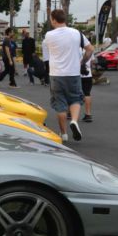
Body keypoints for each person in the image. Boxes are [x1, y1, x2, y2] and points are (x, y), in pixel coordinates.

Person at [42, 10, 93, 142]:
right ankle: (74, 121)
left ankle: (63, 134)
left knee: (60, 104)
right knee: (75, 99)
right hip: (73, 73)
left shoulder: (49, 35)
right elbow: (90, 49)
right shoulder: (76, 33)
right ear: (65, 19)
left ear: (53, 20)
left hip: (56, 74)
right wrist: (82, 62)